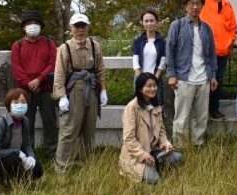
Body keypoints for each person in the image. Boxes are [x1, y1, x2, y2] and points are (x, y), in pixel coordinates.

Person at [177, 0, 237, 120]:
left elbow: (232, 28)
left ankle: (213, 109)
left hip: (222, 52)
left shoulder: (228, 5)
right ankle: (199, 112)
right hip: (204, 50)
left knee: (217, 81)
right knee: (201, 82)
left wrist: (230, 44)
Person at [52, 12, 107, 173]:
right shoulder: (65, 48)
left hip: (91, 89)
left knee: (88, 128)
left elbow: (100, 70)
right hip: (73, 90)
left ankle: (83, 163)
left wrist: (103, 91)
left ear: (88, 27)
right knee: (69, 129)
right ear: (71, 29)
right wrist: (61, 96)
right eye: (77, 26)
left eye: (83, 26)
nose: (80, 30)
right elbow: (59, 73)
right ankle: (62, 165)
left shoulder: (95, 46)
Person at [166, 0, 218, 146]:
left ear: (202, 6)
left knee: (201, 117)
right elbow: (170, 50)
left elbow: (212, 53)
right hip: (184, 77)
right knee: (182, 116)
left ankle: (198, 145)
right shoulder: (177, 25)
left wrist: (213, 75)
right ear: (185, 7)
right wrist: (171, 74)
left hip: (204, 78)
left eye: (198, 3)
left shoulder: (207, 28)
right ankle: (180, 148)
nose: (195, 7)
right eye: (191, 4)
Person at [120, 72, 183, 185]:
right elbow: (129, 139)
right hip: (137, 156)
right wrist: (143, 155)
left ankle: (157, 167)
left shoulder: (156, 105)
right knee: (155, 181)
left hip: (154, 151)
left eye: (154, 85)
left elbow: (162, 131)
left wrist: (166, 144)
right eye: (149, 86)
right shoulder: (131, 108)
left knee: (177, 157)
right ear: (140, 88)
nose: (153, 89)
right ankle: (145, 170)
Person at [11, 10, 58, 159]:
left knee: (50, 120)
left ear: (41, 27)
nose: (33, 26)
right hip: (24, 91)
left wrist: (39, 79)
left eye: (36, 24)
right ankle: (28, 152)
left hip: (46, 88)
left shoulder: (50, 43)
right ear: (24, 27)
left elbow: (52, 63)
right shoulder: (17, 45)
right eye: (29, 24)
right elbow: (17, 68)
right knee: (26, 122)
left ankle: (52, 151)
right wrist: (28, 83)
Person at [0, 88, 42, 195]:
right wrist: (17, 152)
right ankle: (0, 183)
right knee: (13, 159)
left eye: (23, 102)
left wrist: (31, 157)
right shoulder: (0, 123)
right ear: (9, 104)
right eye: (16, 102)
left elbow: (27, 144)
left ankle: (19, 181)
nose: (20, 105)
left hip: (16, 157)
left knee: (38, 168)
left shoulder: (25, 121)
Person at [131, 9, 170, 137]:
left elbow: (163, 62)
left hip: (156, 80)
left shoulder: (162, 41)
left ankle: (157, 138)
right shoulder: (138, 41)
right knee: (140, 109)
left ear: (156, 22)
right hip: (140, 80)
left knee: (156, 109)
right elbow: (135, 62)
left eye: (151, 20)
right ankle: (141, 137)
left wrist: (154, 79)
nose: (149, 23)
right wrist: (142, 80)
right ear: (142, 23)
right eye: (146, 21)